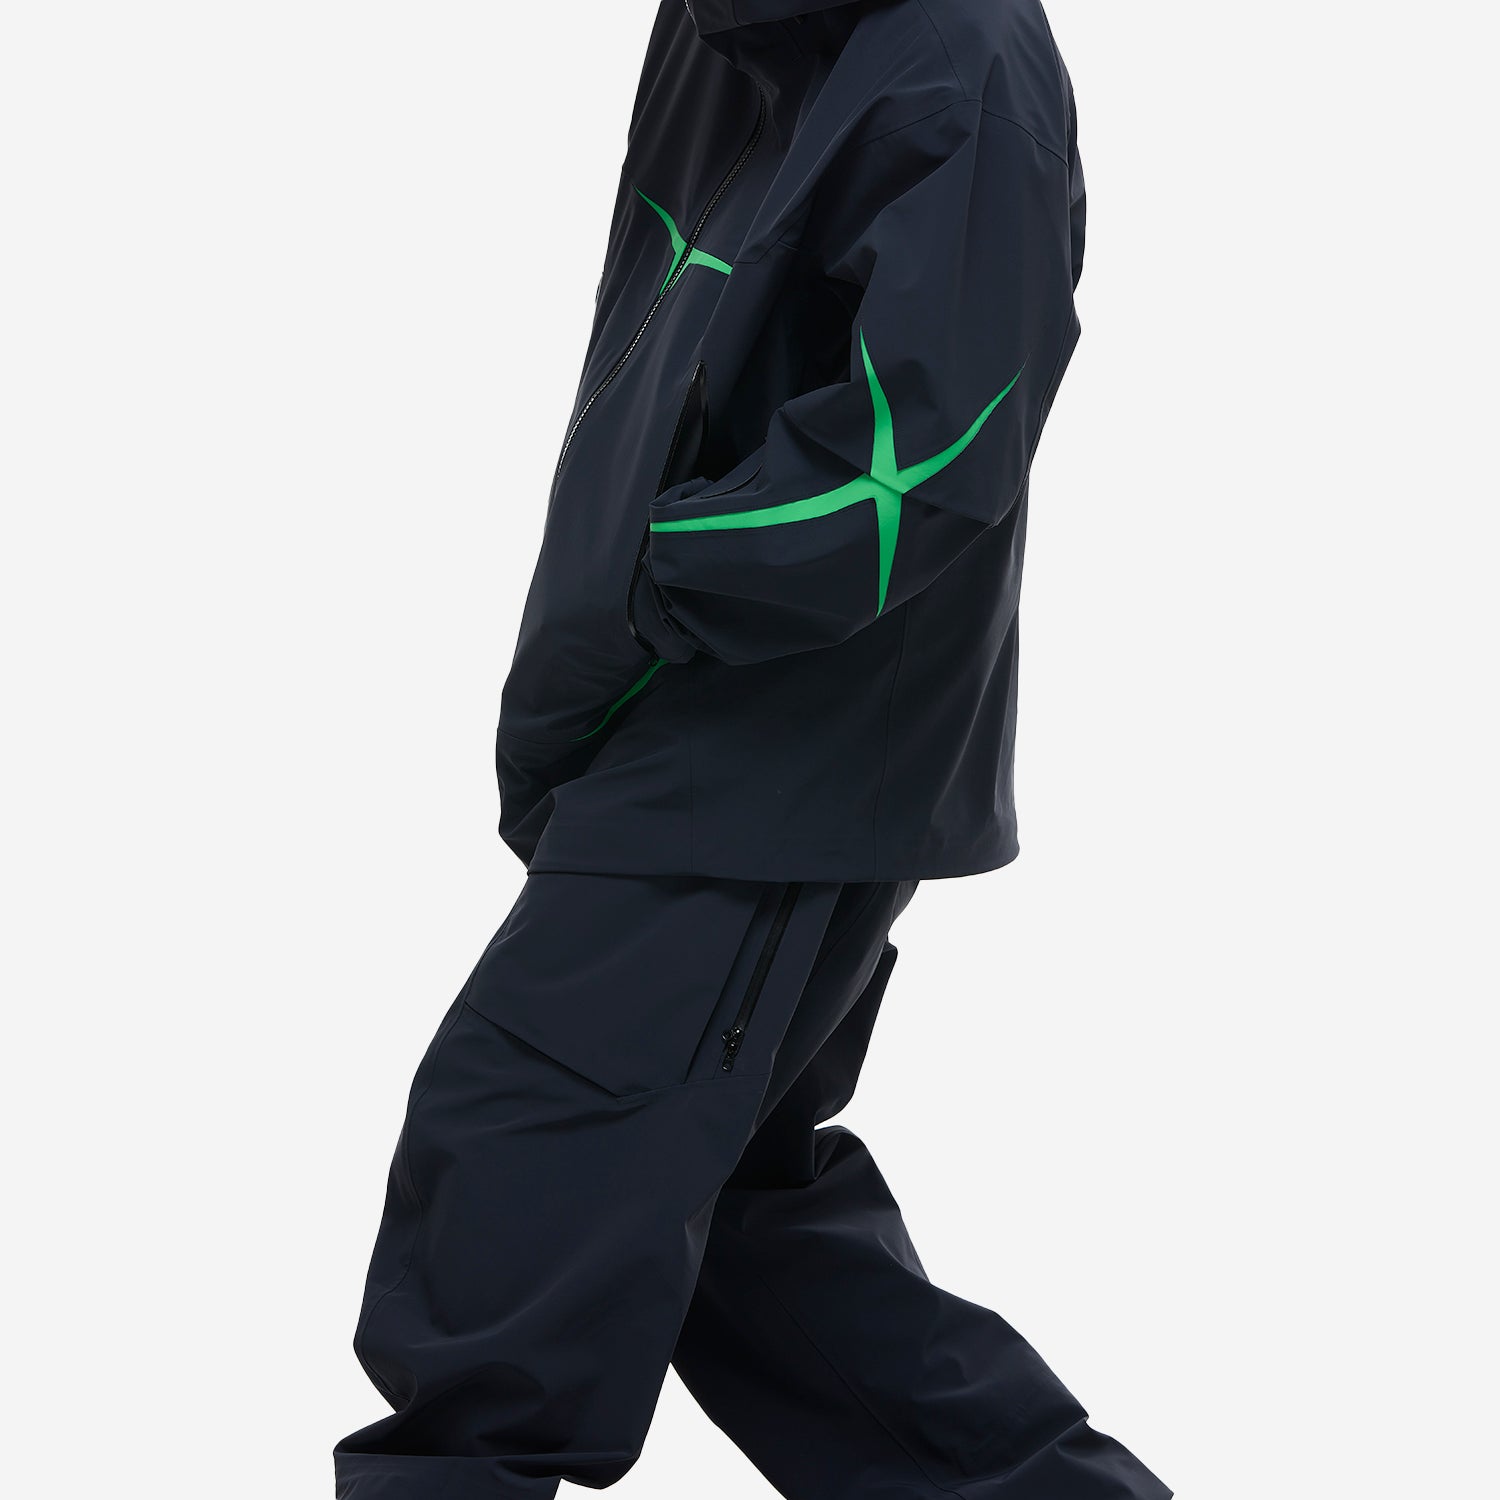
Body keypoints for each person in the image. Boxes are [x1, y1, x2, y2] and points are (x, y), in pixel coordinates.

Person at [335, 2, 1170, 1496]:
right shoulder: (723, 26)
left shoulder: (964, 60)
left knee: (520, 1179)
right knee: (734, 1231)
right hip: (668, 714)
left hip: (771, 752)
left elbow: (931, 449)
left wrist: (658, 582)